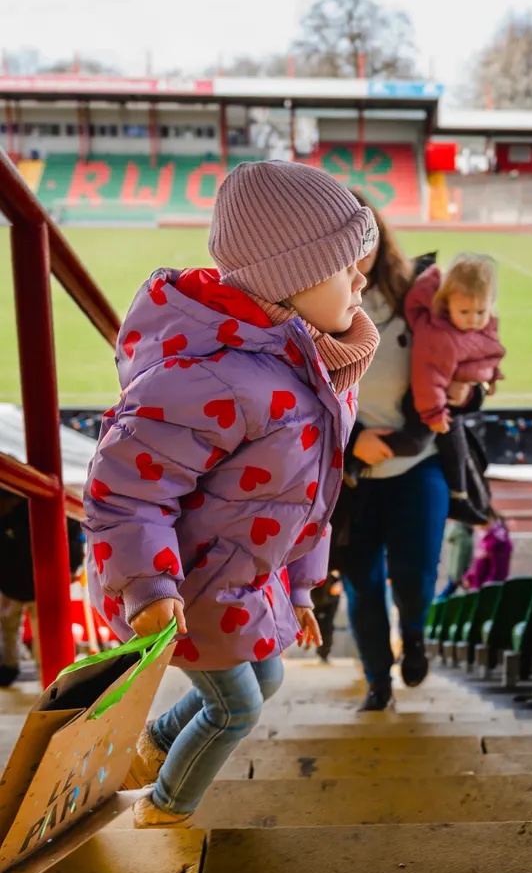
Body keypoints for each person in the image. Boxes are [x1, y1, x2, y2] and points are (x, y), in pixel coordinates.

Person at [83, 161, 379, 826]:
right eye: (346, 268)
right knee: (236, 706)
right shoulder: (217, 378)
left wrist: (301, 588)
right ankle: (162, 813)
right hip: (183, 590)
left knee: (267, 678)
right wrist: (149, 589)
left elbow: (309, 498)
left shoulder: (316, 368)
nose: (363, 281)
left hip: (241, 581)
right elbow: (125, 492)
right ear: (288, 281)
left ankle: (151, 748)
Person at [337, 196, 454, 712]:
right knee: (361, 583)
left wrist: (469, 388)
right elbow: (289, 398)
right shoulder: (307, 303)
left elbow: (459, 359)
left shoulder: (417, 294)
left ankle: (415, 634)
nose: (355, 248)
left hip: (415, 464)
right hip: (352, 478)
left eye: (363, 233)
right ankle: (376, 681)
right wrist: (348, 445)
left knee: (416, 571)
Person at [404, 255, 505, 526]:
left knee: (457, 444)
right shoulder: (438, 336)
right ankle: (460, 497)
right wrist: (435, 412)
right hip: (427, 407)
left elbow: (487, 354)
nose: (474, 319)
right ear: (446, 305)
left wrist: (486, 381)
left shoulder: (478, 325)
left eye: (481, 312)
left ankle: (461, 496)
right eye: (466, 313)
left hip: (446, 405)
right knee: (427, 440)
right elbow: (428, 377)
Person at [0, 488, 85, 686]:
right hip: (11, 583)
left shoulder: (41, 508)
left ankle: (46, 673)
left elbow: (73, 536)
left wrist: (72, 567)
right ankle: (10, 667)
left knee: (43, 632)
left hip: (42, 583)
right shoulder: (7, 517)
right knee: (8, 626)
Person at [462, 511, 513, 590]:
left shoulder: (497, 541)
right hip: (479, 588)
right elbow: (478, 566)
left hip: (487, 592)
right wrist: (469, 577)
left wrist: (488, 589)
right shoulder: (486, 539)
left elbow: (498, 572)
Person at [437, 521, 475, 600]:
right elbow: (459, 556)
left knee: (450, 593)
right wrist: (457, 576)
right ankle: (435, 606)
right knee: (448, 592)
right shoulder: (462, 535)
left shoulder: (463, 534)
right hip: (458, 572)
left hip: (457, 570)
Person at [310, 571, 342, 663]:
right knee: (319, 626)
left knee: (328, 626)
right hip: (317, 601)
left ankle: (324, 652)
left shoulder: (333, 577)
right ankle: (321, 651)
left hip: (330, 601)